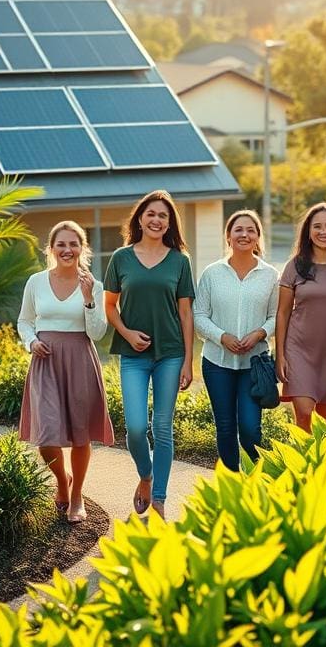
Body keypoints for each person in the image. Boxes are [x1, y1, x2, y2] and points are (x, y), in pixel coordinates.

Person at [104, 190, 194, 518]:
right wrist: (127, 333)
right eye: (151, 214)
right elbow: (110, 306)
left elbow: (186, 314)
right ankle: (146, 474)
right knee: (136, 427)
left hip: (170, 353)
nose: (157, 220)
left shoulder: (179, 261)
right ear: (140, 218)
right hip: (133, 355)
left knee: (163, 426)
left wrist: (188, 361)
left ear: (170, 223)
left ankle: (159, 500)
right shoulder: (121, 258)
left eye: (164, 216)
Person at [17, 220, 114, 524]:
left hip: (80, 361)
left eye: (74, 244)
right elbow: (24, 321)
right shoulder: (35, 282)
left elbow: (98, 332)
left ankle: (77, 496)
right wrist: (31, 342)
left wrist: (88, 299)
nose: (67, 249)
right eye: (61, 244)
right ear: (51, 248)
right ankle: (62, 480)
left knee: (81, 433)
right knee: (46, 437)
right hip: (45, 363)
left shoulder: (93, 285)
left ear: (83, 248)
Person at [194, 210, 278, 471]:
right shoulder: (212, 273)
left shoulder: (270, 275)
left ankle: (253, 481)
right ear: (228, 237)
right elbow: (198, 315)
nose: (244, 234)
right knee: (226, 427)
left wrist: (260, 333)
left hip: (255, 365)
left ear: (257, 237)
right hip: (217, 363)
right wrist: (222, 337)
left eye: (250, 230)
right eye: (238, 229)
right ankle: (232, 482)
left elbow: (277, 315)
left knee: (251, 429)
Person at [275, 202, 326, 432]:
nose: (324, 231)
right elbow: (282, 312)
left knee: (325, 424)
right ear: (308, 231)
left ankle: (319, 467)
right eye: (317, 226)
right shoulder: (295, 266)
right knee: (305, 414)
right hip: (299, 350)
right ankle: (300, 466)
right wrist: (280, 355)